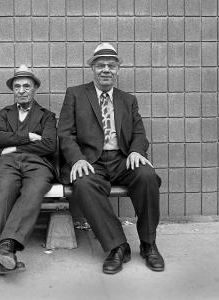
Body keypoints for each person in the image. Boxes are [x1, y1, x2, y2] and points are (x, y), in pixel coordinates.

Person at [57, 43, 165, 274]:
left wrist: (136, 151)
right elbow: (65, 133)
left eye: (111, 65)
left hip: (122, 159)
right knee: (84, 184)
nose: (106, 69)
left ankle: (148, 244)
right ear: (92, 69)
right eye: (100, 65)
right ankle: (117, 245)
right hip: (90, 161)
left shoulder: (128, 100)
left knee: (147, 176)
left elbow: (138, 133)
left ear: (118, 70)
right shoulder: (75, 94)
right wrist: (76, 159)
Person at [0, 65, 57, 275]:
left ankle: (4, 250)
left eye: (27, 86)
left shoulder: (47, 116)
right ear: (12, 90)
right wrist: (28, 137)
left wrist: (13, 145)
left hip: (38, 163)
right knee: (4, 189)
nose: (22, 90)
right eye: (17, 86)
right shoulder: (2, 114)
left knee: (35, 189)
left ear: (35, 89)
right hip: (7, 163)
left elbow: (49, 145)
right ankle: (5, 253)